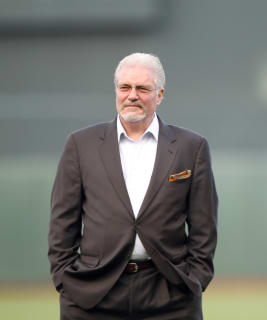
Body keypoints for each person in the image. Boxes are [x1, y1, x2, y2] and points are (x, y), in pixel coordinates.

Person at [48, 52, 218, 319]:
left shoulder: (191, 147)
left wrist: (195, 278)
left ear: (159, 95)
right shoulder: (81, 145)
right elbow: (62, 223)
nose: (132, 95)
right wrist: (66, 280)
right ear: (116, 91)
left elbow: (204, 225)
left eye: (142, 88)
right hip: (93, 294)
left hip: (170, 294)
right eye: (125, 87)